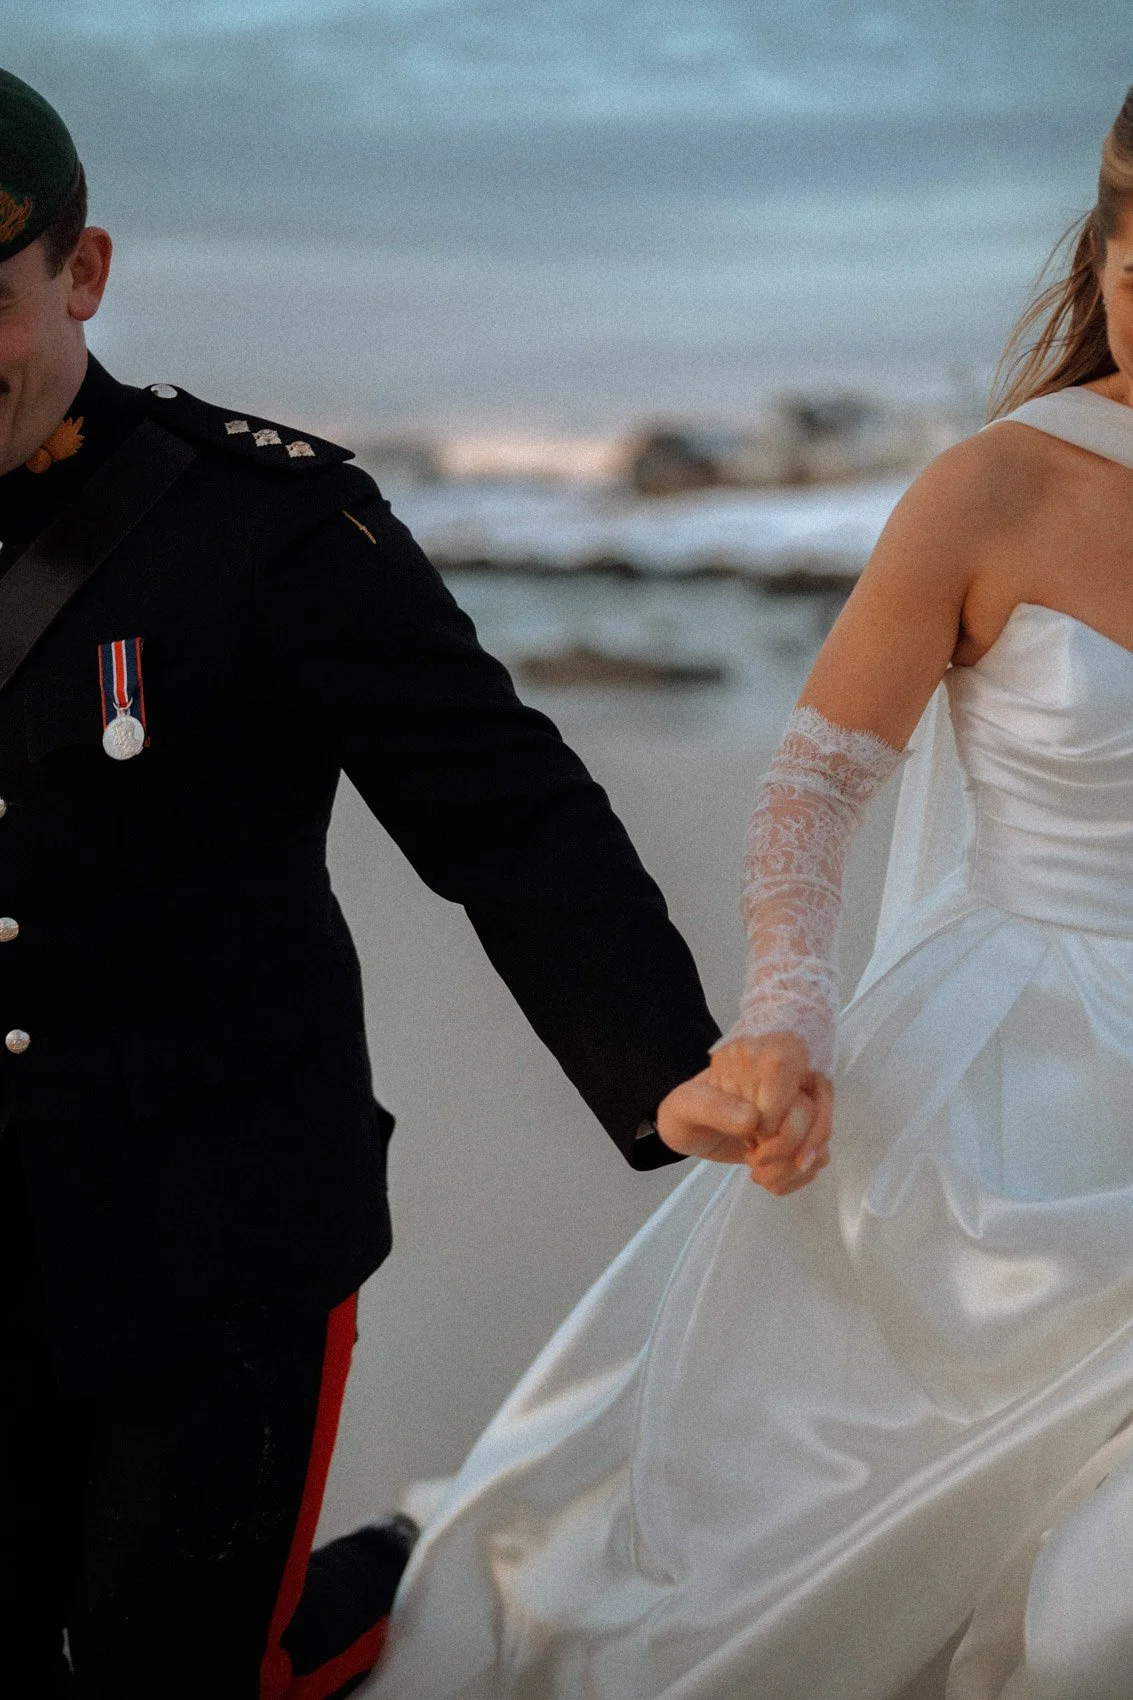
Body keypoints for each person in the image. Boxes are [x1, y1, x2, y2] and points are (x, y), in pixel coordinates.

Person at [0, 67, 768, 1699]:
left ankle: (397, 1575)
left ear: (84, 272)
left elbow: (508, 814)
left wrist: (668, 1063)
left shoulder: (260, 526)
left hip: (213, 1250)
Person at [369, 87, 1133, 1700]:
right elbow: (813, 785)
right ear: (1102, 259)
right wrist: (788, 1011)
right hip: (1001, 1095)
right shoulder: (995, 489)